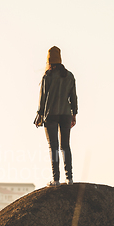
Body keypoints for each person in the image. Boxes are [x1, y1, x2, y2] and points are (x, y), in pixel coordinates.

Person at [36, 46, 78, 187]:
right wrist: (74, 114)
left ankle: (56, 180)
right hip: (66, 114)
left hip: (51, 114)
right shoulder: (69, 76)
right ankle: (69, 178)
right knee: (65, 146)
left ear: (49, 60)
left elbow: (42, 98)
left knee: (53, 147)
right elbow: (73, 97)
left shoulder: (47, 76)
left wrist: (39, 114)